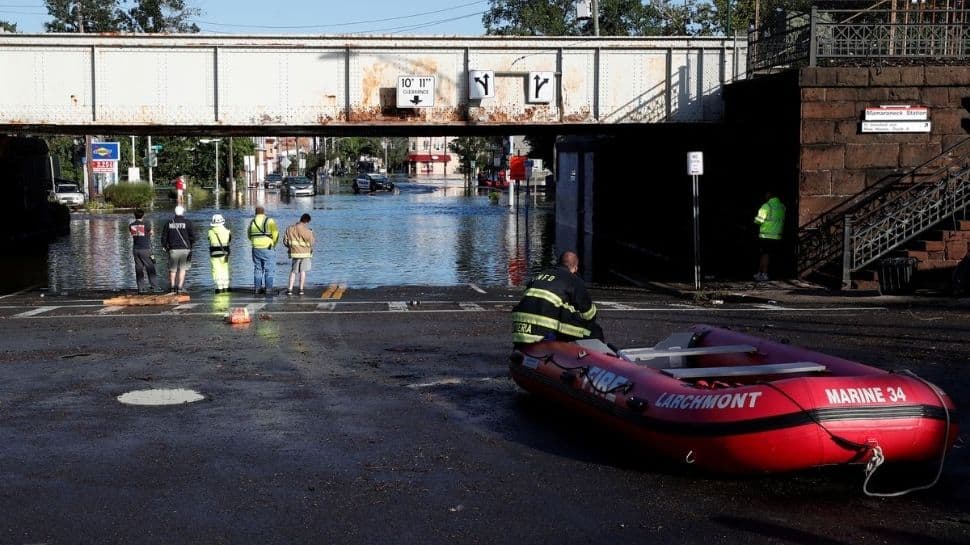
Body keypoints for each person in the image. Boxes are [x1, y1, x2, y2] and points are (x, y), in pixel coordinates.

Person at [512, 251, 603, 346]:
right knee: (594, 331)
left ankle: (522, 349)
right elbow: (589, 315)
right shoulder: (574, 280)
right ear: (576, 268)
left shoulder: (541, 274)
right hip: (541, 329)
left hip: (519, 329)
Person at [161, 205, 195, 295]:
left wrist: (165, 246)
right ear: (183, 212)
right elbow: (193, 237)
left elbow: (164, 237)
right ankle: (180, 287)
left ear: (175, 213)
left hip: (173, 249)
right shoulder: (187, 223)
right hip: (185, 249)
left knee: (172, 269)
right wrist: (190, 246)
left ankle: (172, 287)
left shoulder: (169, 223)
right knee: (182, 269)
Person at [754, 191, 786, 282]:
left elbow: (759, 220)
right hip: (777, 235)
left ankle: (764, 274)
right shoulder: (782, 206)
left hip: (766, 235)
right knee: (766, 255)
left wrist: (755, 220)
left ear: (769, 195)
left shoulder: (766, 206)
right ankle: (759, 273)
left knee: (765, 255)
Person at [247, 205, 279, 295]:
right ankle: (268, 289)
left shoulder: (252, 222)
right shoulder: (270, 221)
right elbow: (276, 234)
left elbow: (248, 235)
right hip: (268, 248)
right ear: (264, 212)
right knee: (269, 269)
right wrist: (274, 244)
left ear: (255, 213)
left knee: (258, 268)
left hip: (256, 248)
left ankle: (257, 288)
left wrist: (255, 242)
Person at [283, 213, 315, 296]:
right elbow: (312, 243)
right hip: (305, 254)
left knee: (293, 271)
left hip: (295, 253)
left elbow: (285, 242)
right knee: (302, 271)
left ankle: (290, 289)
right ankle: (301, 289)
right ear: (307, 222)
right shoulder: (308, 231)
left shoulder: (289, 229)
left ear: (300, 219)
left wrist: (291, 248)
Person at [128, 208, 158, 293]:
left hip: (135, 249)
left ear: (134, 216)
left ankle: (141, 288)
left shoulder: (131, 225)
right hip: (145, 248)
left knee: (139, 269)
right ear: (143, 215)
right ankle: (154, 286)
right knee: (150, 268)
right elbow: (151, 232)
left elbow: (133, 234)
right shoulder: (146, 224)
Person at [207, 213, 232, 294]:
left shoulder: (210, 232)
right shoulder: (228, 231)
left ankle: (219, 287)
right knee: (225, 270)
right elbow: (229, 241)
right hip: (225, 254)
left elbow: (209, 240)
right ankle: (226, 287)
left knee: (216, 270)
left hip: (214, 254)